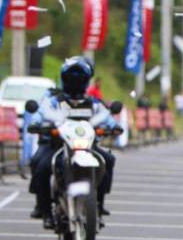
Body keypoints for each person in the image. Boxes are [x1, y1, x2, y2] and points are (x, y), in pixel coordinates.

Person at [28, 56, 117, 229]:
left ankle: (98, 203)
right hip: (55, 144)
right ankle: (44, 209)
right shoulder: (53, 99)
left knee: (108, 160)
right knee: (40, 165)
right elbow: (39, 113)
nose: (75, 81)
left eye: (80, 78)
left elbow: (105, 115)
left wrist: (114, 127)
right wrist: (37, 124)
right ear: (64, 78)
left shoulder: (92, 101)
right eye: (72, 78)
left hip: (85, 145)